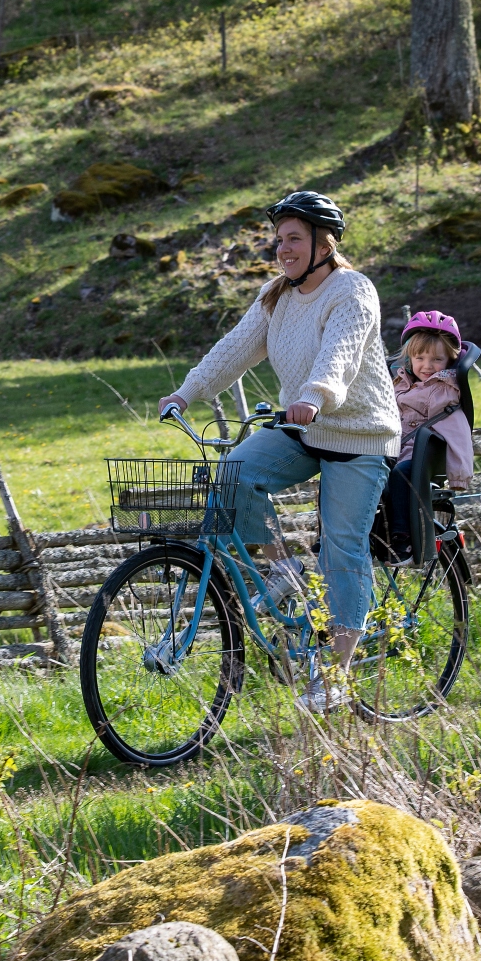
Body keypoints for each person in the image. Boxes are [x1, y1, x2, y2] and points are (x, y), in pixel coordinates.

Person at [158, 190, 399, 714]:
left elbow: (339, 356)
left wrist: (313, 397)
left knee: (342, 548)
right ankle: (281, 571)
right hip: (306, 429)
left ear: (323, 243)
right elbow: (234, 348)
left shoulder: (353, 291)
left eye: (293, 239)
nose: (282, 249)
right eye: (278, 240)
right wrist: (187, 391)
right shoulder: (277, 296)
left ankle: (336, 675)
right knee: (233, 472)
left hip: (359, 434)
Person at [381, 311, 475, 563]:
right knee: (358, 471)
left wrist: (458, 474)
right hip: (392, 449)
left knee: (402, 475)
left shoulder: (444, 390)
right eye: (419, 357)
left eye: (436, 359)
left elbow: (457, 431)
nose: (427, 365)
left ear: (450, 360)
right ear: (409, 358)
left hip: (422, 454)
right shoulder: (399, 382)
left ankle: (404, 541)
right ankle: (347, 537)